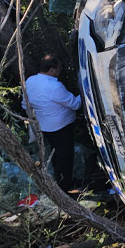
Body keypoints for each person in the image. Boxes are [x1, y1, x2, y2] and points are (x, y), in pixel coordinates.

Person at [24, 54, 81, 192]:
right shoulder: (54, 86)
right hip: (61, 127)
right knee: (66, 157)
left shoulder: (30, 81)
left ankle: (61, 181)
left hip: (45, 127)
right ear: (51, 70)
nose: (60, 71)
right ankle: (67, 187)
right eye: (59, 69)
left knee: (56, 155)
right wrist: (85, 91)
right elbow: (75, 104)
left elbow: (25, 104)